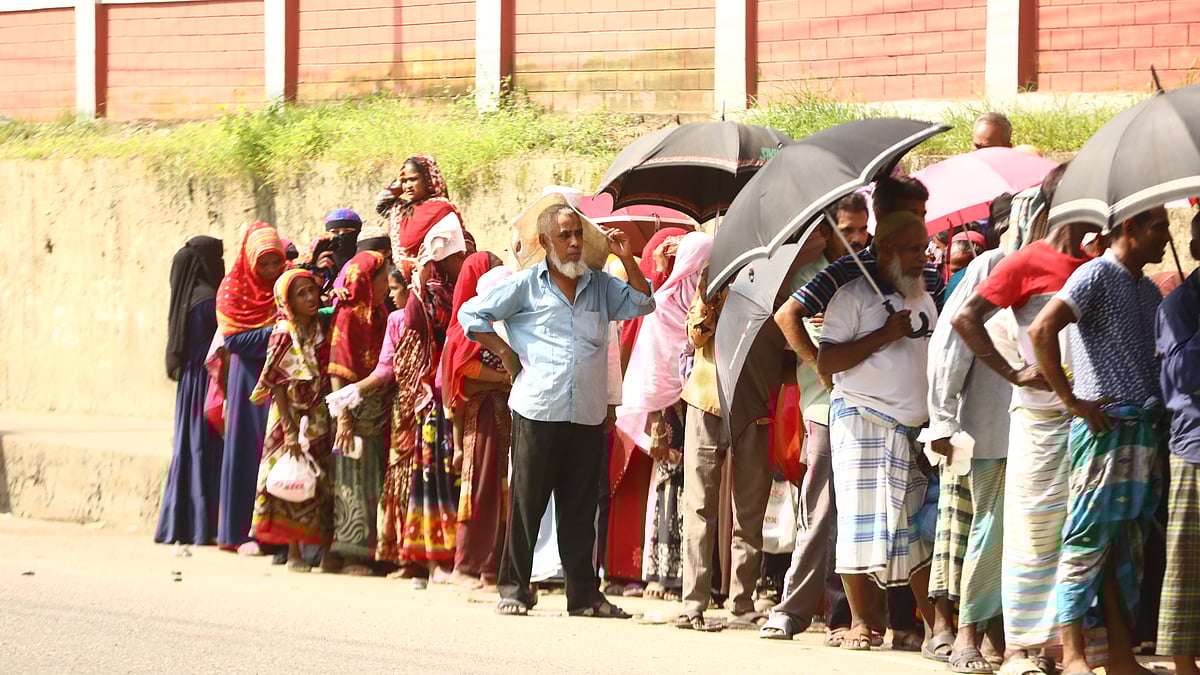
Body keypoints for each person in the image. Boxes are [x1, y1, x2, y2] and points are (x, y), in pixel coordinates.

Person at [458, 203, 655, 617]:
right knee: (527, 504)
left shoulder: (600, 284)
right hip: (537, 409)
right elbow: (470, 314)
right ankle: (514, 589)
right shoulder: (526, 284)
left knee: (581, 509)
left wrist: (626, 258)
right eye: (564, 235)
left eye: (578, 235)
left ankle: (583, 596)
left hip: (586, 413)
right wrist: (505, 353)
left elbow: (643, 303)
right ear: (545, 243)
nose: (573, 243)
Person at [950, 164, 1102, 675]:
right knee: (1032, 533)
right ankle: (1023, 647)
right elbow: (965, 319)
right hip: (1039, 418)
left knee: (1074, 534)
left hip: (1086, 419)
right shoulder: (1027, 261)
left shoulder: (1091, 263)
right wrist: (1014, 373)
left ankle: (1065, 646)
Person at [789, 176, 938, 649]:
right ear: (888, 242)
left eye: (925, 243)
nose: (924, 255)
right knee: (858, 524)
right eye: (914, 245)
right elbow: (819, 350)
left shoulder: (926, 288)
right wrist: (878, 338)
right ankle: (858, 623)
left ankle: (933, 626)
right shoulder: (848, 287)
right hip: (861, 420)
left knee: (913, 531)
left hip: (915, 425)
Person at [1028, 206, 1171, 675]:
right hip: (1105, 428)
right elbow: (1041, 328)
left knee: (1124, 546)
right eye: (1159, 227)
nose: (1165, 236)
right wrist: (1072, 401)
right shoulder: (1095, 275)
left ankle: (1120, 655)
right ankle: (1072, 656)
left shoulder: (1147, 288)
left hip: (1142, 430)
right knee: (1086, 541)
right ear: (1129, 228)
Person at [762, 216, 856, 643]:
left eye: (860, 229)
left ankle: (851, 616)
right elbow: (787, 320)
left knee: (860, 513)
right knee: (818, 510)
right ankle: (793, 610)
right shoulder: (807, 274)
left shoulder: (869, 270)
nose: (854, 238)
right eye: (846, 230)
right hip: (822, 405)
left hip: (870, 403)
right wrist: (823, 366)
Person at [924, 247, 1011, 672]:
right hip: (971, 419)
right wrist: (942, 419)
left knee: (994, 535)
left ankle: (995, 635)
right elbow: (949, 341)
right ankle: (948, 629)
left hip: (1013, 422)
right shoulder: (991, 265)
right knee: (959, 526)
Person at [616, 231, 714, 603]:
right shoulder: (664, 306)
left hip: (701, 404)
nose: (706, 272)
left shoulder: (709, 305)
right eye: (701, 265)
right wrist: (656, 422)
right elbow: (653, 368)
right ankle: (663, 574)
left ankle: (698, 577)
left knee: (701, 491)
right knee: (670, 487)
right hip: (670, 411)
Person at [248, 269, 335, 571]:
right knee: (292, 479)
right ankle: (294, 551)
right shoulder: (284, 333)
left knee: (322, 480)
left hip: (319, 415)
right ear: (288, 300)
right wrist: (287, 431)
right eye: (302, 294)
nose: (311, 298)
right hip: (291, 417)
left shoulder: (319, 326)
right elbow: (277, 384)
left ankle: (325, 551)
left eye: (312, 290)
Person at [214, 222, 286, 552]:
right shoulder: (233, 290)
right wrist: (278, 332)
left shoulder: (286, 285)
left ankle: (274, 533)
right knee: (249, 452)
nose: (271, 270)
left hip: (282, 379)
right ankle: (242, 531)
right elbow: (233, 339)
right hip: (250, 381)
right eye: (264, 264)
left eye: (276, 263)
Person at [441, 251, 511, 591]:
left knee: (502, 489)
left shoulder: (498, 320)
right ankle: (468, 565)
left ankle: (492, 568)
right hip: (482, 417)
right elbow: (464, 373)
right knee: (481, 489)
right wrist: (505, 378)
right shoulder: (466, 326)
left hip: (503, 415)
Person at [157, 236, 225, 549]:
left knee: (189, 448)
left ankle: (181, 524)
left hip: (191, 384)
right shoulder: (210, 299)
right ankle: (204, 524)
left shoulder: (188, 297)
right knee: (205, 447)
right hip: (207, 381)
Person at [326, 250, 390, 575]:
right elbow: (338, 368)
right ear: (367, 280)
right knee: (350, 480)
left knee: (371, 480)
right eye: (383, 279)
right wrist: (343, 418)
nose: (388, 285)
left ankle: (370, 550)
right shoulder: (348, 316)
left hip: (376, 412)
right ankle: (351, 554)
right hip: (352, 412)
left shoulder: (378, 313)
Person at [1156, 212, 1200, 675]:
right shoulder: (1178, 305)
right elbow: (1183, 376)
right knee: (1188, 562)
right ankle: (1185, 664)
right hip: (1196, 448)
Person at [377, 155, 464, 264]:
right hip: (396, 277)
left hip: (430, 277)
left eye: (413, 179)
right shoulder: (402, 210)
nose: (408, 186)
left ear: (428, 179)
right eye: (404, 181)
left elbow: (456, 250)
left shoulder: (442, 209)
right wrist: (398, 183)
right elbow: (381, 203)